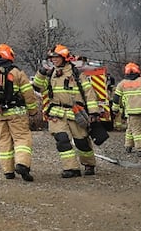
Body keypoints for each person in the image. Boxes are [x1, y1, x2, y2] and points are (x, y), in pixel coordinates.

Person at [31, 44, 99, 178]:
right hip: (57, 112)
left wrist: (93, 112)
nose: (53, 60)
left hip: (76, 112)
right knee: (62, 140)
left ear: (64, 58)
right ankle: (71, 168)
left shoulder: (76, 74)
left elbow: (89, 93)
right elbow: (38, 88)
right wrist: (41, 73)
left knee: (82, 142)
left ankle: (89, 164)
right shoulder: (51, 74)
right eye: (52, 58)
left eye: (56, 57)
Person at [0, 43, 39, 181]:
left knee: (3, 141)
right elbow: (28, 94)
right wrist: (33, 110)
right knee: (21, 138)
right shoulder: (17, 73)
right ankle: (22, 164)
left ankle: (8, 171)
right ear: (10, 56)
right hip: (17, 113)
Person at [112, 62, 141, 157]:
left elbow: (116, 98)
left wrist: (115, 109)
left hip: (132, 113)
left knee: (137, 131)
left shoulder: (122, 84)